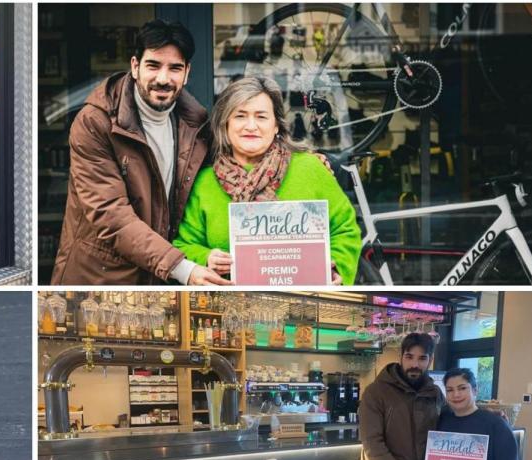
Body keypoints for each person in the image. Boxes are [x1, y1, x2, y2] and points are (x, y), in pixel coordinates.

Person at [51, 19, 228, 286]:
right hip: (102, 278)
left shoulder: (197, 123)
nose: (163, 79)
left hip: (163, 275)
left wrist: (300, 160)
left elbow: (237, 161)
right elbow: (110, 214)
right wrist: (182, 268)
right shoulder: (95, 122)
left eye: (175, 68)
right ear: (135, 66)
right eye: (153, 65)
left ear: (187, 73)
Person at [172, 76, 362, 285]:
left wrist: (336, 268)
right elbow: (184, 244)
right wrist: (206, 258)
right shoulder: (205, 182)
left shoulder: (310, 169)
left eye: (261, 117)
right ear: (225, 124)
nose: (251, 126)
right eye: (240, 116)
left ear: (276, 126)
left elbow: (345, 230)